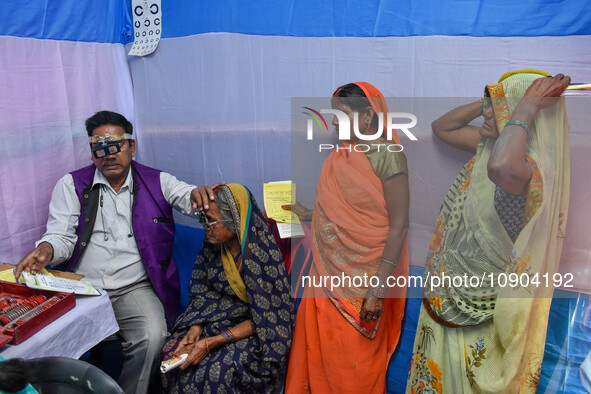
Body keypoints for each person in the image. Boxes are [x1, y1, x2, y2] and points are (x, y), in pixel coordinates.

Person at [14, 110, 217, 394]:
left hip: (134, 287)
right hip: (83, 288)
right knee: (39, 340)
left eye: (115, 146)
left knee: (153, 335)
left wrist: (201, 196)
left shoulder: (157, 181)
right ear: (91, 152)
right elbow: (60, 236)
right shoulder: (71, 184)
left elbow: (188, 196)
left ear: (131, 147)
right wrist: (46, 250)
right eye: (99, 148)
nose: (108, 155)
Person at [406, 71, 571, 393]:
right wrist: (490, 102)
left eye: (499, 106)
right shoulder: (487, 147)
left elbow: (502, 168)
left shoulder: (527, 169)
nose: (488, 113)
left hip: (483, 311)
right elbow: (442, 127)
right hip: (450, 298)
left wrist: (525, 107)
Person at [285, 82, 410, 392]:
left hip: (365, 286)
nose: (334, 122)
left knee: (354, 371)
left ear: (367, 116)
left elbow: (398, 226)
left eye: (341, 114)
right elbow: (339, 215)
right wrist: (306, 212)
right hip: (324, 281)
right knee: (319, 359)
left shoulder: (388, 156)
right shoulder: (337, 158)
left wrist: (377, 290)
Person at [161, 183, 295, 393]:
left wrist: (212, 342)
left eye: (212, 221)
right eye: (203, 220)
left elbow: (270, 317)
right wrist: (195, 328)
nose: (206, 227)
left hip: (256, 332)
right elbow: (202, 292)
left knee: (217, 372)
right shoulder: (212, 245)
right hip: (214, 319)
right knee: (172, 353)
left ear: (236, 221)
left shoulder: (262, 257)